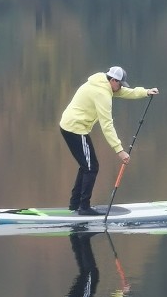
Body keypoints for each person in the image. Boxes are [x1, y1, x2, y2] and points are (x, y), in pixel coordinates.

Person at [59, 65, 158, 216]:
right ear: (113, 80)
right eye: (120, 84)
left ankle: (75, 205)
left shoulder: (100, 82)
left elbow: (124, 92)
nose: (121, 88)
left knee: (86, 166)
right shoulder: (101, 93)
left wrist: (145, 92)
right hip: (75, 129)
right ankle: (83, 207)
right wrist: (120, 150)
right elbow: (107, 125)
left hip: (71, 126)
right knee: (91, 168)